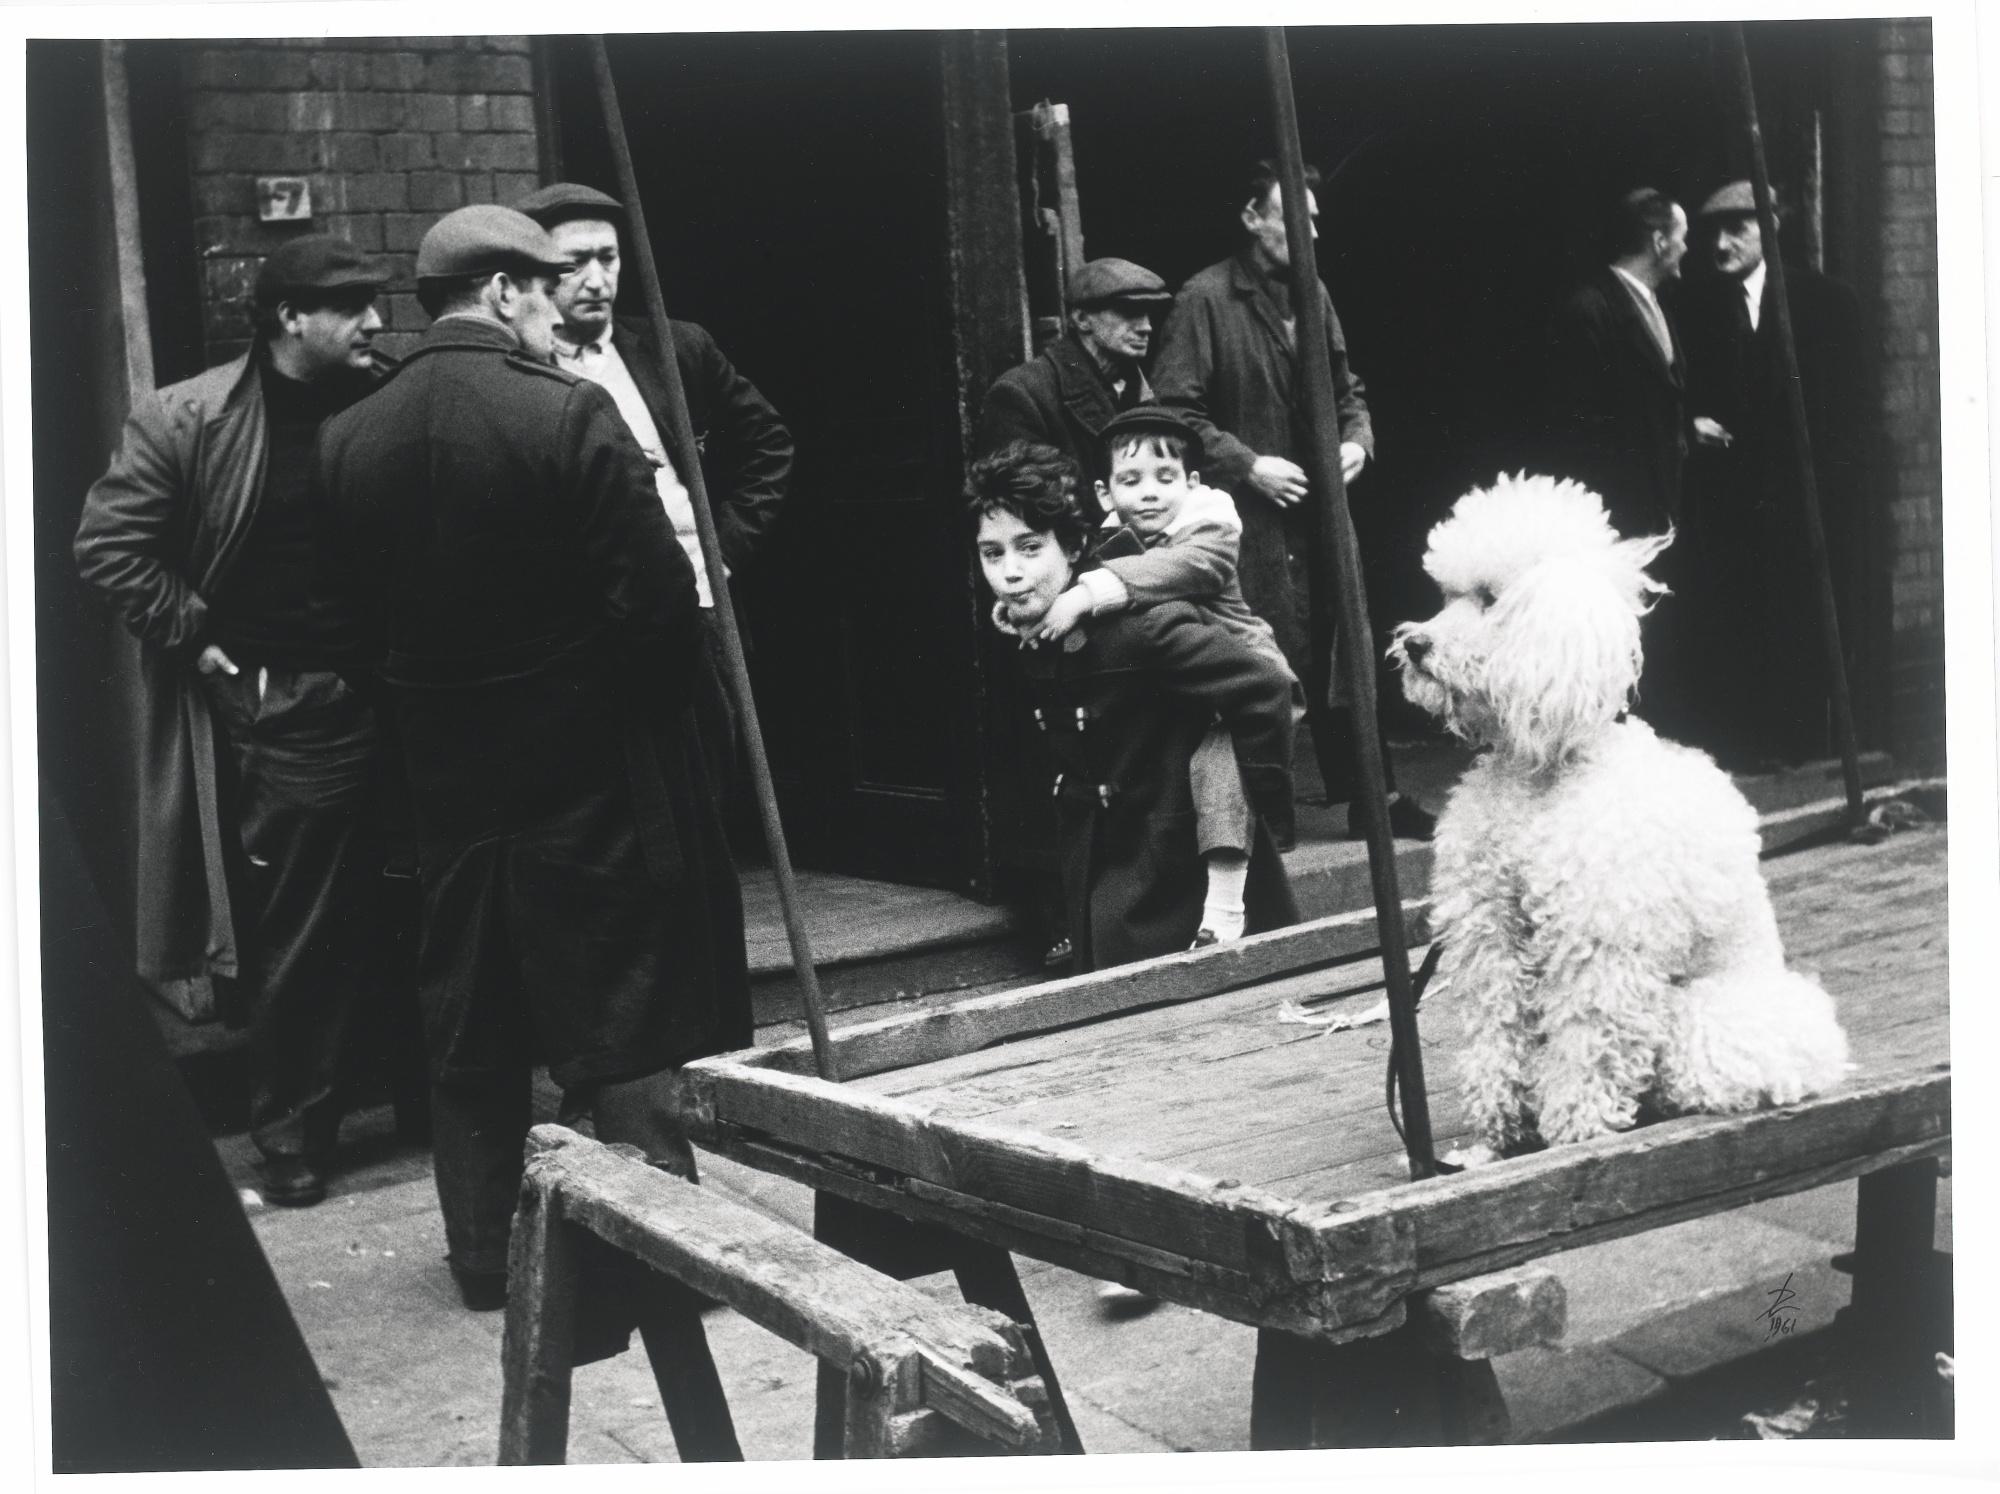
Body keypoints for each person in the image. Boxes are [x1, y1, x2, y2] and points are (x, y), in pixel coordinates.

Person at [313, 205, 751, 1316]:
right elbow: (659, 610)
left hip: (446, 777)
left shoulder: (348, 436)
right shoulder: (566, 412)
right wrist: (605, 710)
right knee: (624, 1003)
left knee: (471, 1015)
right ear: (504, 292)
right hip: (587, 770)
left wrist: (433, 714)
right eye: (547, 285)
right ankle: (667, 1252)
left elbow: (346, 630)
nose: (562, 305)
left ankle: (483, 1255)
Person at [74, 233, 398, 1208]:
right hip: (290, 704)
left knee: (418, 901)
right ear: (289, 317)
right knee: (300, 925)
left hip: (404, 691)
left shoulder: (385, 398)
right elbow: (110, 545)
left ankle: (422, 1106)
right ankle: (292, 1132)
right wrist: (198, 635)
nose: (375, 322)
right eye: (352, 306)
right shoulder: (190, 416)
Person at [1151, 161, 1432, 841]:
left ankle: (1374, 799)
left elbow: (1346, 388)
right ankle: (1262, 817)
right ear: (1252, 218)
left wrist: (1358, 440)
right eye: (1295, 218)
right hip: (1252, 521)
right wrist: (1248, 465)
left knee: (1347, 654)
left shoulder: (1314, 294)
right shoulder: (1205, 299)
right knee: (1263, 659)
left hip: (1321, 514)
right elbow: (1172, 411)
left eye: (1315, 221)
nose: (1311, 234)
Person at [969, 439, 1299, 973]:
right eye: (993, 553)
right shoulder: (1028, 629)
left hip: (1171, 873)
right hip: (1099, 862)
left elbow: (1265, 687)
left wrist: (1259, 802)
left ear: (1073, 547)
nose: (1010, 572)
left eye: (1030, 548)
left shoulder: (1139, 628)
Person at [514, 180, 793, 795]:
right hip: (586, 629)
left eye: (608, 258)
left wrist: (724, 548)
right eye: (574, 263)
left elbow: (769, 442)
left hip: (697, 608)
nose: (596, 280)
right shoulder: (518, 370)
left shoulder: (676, 348)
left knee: (712, 779)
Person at [1677, 180, 1869, 769]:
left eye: (1737, 229)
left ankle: (1800, 743)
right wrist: (1691, 423)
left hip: (1800, 500)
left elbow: (1847, 410)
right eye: (1713, 232)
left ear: (1771, 227)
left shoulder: (1826, 302)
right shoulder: (1696, 309)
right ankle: (1749, 746)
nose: (1721, 244)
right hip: (1729, 504)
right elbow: (1678, 389)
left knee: (1800, 617)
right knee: (1741, 619)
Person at [1545, 186, 1691, 542]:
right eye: (1683, 237)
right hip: (1617, 522)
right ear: (1660, 242)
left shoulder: (1658, 306)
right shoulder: (1590, 310)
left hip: (1658, 517)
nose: (1686, 248)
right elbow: (1579, 430)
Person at [976, 256, 1175, 489]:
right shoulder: (1021, 395)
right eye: (1129, 312)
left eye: (1148, 314)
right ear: (1082, 319)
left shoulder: (1141, 391)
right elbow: (1029, 500)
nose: (1146, 327)